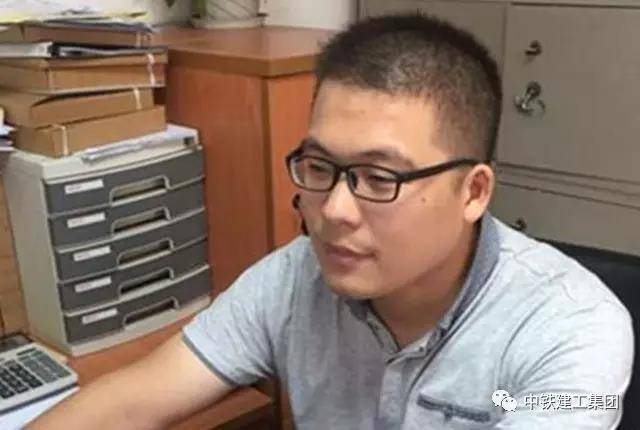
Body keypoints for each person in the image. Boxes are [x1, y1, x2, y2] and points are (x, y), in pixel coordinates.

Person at [29, 13, 633, 429]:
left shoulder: (573, 330)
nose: (335, 211)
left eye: (380, 178)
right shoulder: (294, 279)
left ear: (473, 192)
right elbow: (131, 402)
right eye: (320, 167)